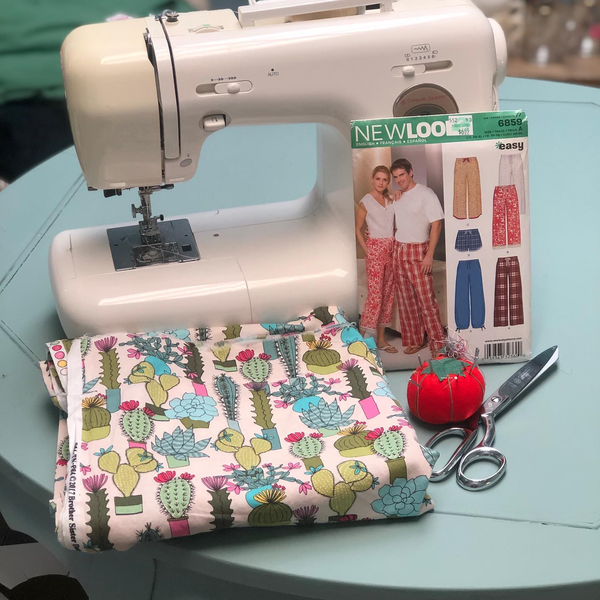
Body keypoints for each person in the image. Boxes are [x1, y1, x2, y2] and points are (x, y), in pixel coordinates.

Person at [390, 158, 445, 355]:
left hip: (418, 251)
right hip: (399, 250)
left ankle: (438, 344)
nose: (399, 180)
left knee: (426, 301)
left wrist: (429, 255)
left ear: (411, 172)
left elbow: (436, 224)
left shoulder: (426, 194)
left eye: (402, 175)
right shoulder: (397, 196)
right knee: (406, 300)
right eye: (395, 177)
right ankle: (416, 340)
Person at [355, 165, 398, 353]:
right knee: (375, 296)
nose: (381, 182)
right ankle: (360, 338)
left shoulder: (391, 200)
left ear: (388, 182)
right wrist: (368, 251)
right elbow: (358, 229)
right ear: (372, 179)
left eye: (385, 179)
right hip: (375, 250)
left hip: (391, 249)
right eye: (378, 179)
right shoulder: (366, 201)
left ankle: (381, 339)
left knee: (388, 295)